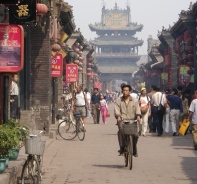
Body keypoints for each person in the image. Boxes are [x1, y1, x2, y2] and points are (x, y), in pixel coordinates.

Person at [114, 84, 141, 157]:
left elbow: (138, 109)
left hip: (132, 120)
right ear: (122, 91)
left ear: (129, 91)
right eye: (124, 90)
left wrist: (138, 115)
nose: (125, 92)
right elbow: (116, 109)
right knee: (121, 132)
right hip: (122, 120)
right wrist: (118, 116)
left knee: (135, 135)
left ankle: (134, 149)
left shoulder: (135, 101)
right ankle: (122, 147)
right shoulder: (118, 100)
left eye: (127, 90)